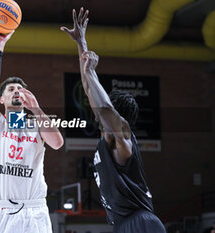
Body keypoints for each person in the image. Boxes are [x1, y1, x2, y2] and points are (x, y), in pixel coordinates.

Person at [61, 7, 166, 233]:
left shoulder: (124, 139)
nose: (95, 106)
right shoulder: (107, 137)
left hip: (141, 222)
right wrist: (82, 44)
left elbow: (105, 108)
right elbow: (89, 89)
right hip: (123, 224)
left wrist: (91, 72)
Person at [0, 23, 64, 233]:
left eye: (20, 88)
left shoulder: (36, 124)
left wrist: (36, 109)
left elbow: (57, 143)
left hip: (34, 210)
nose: (16, 91)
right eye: (11, 89)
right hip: (2, 211)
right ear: (2, 99)